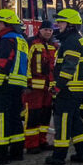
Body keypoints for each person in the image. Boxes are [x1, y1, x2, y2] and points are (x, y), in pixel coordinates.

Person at [45, 9, 83, 165]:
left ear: (71, 25)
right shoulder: (75, 39)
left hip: (69, 89)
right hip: (75, 89)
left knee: (63, 121)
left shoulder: (71, 41)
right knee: (74, 121)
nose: (58, 25)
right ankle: (82, 152)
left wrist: (58, 86)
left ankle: (59, 155)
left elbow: (69, 67)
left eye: (62, 22)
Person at [0, 9, 29, 165]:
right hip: (17, 86)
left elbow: (3, 63)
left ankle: (0, 154)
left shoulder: (6, 40)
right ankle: (16, 152)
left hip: (4, 85)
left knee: (2, 120)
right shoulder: (20, 39)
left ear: (7, 24)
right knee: (15, 119)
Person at [23, 20, 58, 155]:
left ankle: (42, 141)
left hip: (48, 88)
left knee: (45, 116)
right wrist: (27, 83)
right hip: (34, 88)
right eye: (46, 30)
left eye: (50, 30)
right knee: (33, 115)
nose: (48, 32)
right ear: (40, 30)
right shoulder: (32, 44)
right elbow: (26, 63)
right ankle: (31, 144)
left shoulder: (54, 46)